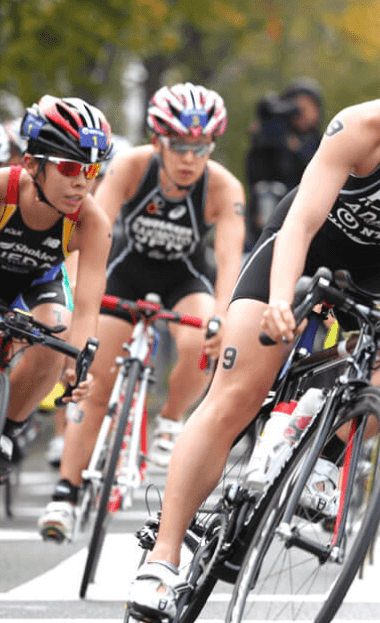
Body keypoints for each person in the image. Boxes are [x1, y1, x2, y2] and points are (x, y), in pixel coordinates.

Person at [125, 29, 380, 622]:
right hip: (297, 245)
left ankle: (329, 455)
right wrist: (276, 302)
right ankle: (162, 562)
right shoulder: (369, 126)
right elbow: (300, 224)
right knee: (238, 392)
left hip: (375, 265)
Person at [38, 83, 245, 542]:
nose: (190, 158)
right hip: (124, 271)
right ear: (157, 141)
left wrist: (224, 315)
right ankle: (66, 495)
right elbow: (88, 229)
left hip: (185, 278)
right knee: (95, 380)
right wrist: (73, 293)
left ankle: (171, 417)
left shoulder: (224, 186)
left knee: (200, 339)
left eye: (201, 146)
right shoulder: (131, 166)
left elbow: (230, 261)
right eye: (179, 146)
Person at [0, 96, 113, 476]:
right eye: (68, 167)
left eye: (92, 169)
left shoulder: (92, 223)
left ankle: (10, 430)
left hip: (35, 283)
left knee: (56, 331)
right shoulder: (4, 190)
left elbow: (86, 309)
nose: (81, 182)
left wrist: (79, 369)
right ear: (32, 164)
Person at [42, 135, 134, 469]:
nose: (87, 182)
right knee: (63, 324)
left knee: (89, 349)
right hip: (74, 266)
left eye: (97, 172)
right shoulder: (67, 199)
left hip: (110, 272)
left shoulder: (113, 207)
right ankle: (59, 430)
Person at [244, 78, 323, 250]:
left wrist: (297, 150)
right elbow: (254, 171)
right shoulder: (276, 131)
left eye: (308, 106)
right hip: (264, 215)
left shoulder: (320, 142)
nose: (300, 112)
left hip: (302, 218)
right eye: (296, 105)